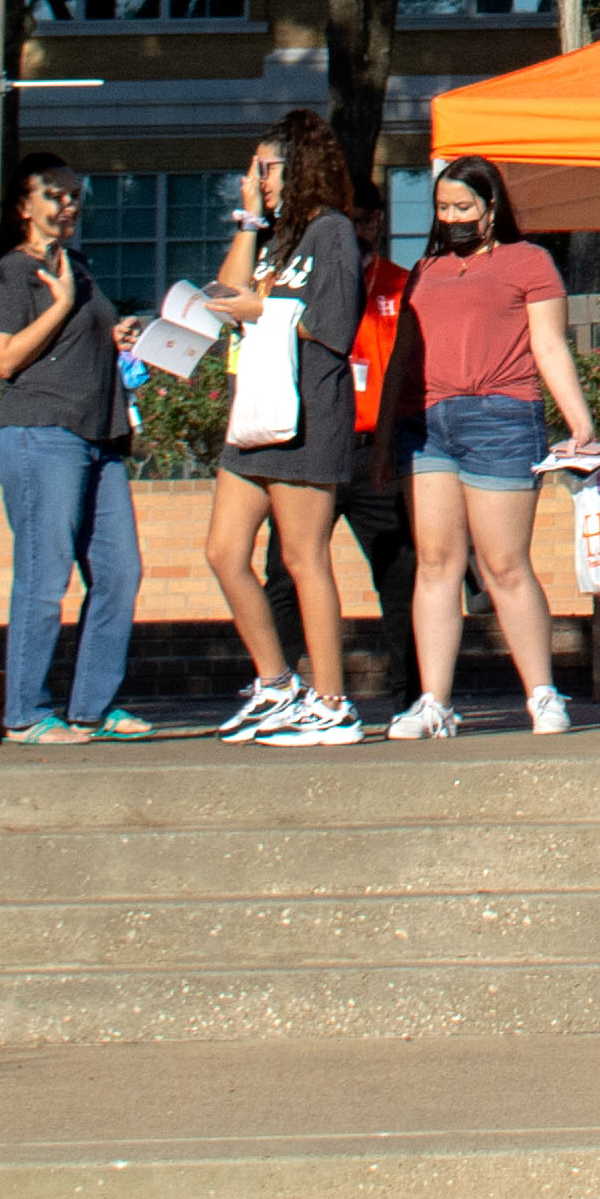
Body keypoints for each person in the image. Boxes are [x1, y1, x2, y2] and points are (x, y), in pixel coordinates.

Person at [386, 158, 600, 741]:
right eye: (442, 209)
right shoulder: (425, 270)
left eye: (464, 208)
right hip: (429, 422)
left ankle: (542, 694)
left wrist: (579, 421)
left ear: (491, 208)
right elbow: (405, 359)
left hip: (502, 417)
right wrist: (387, 434)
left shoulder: (528, 262)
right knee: (435, 563)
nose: (452, 218)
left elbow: (550, 345)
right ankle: (434, 702)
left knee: (503, 564)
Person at [200, 113, 368, 745]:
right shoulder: (280, 236)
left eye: (265, 168)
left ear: (298, 167)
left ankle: (332, 701)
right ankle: (275, 685)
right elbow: (228, 291)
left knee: (303, 557)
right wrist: (248, 219)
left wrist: (261, 312)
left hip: (308, 416)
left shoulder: (333, 232)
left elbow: (333, 322)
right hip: (255, 417)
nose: (257, 180)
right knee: (223, 551)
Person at [0, 162, 149, 745]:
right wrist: (60, 306)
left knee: (120, 572)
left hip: (99, 438)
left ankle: (92, 708)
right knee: (44, 575)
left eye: (76, 196)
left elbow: (74, 339)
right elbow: (4, 360)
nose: (69, 205)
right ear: (23, 207)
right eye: (54, 196)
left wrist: (114, 335)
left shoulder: (74, 267)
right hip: (40, 433)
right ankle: (24, 715)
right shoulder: (14, 271)